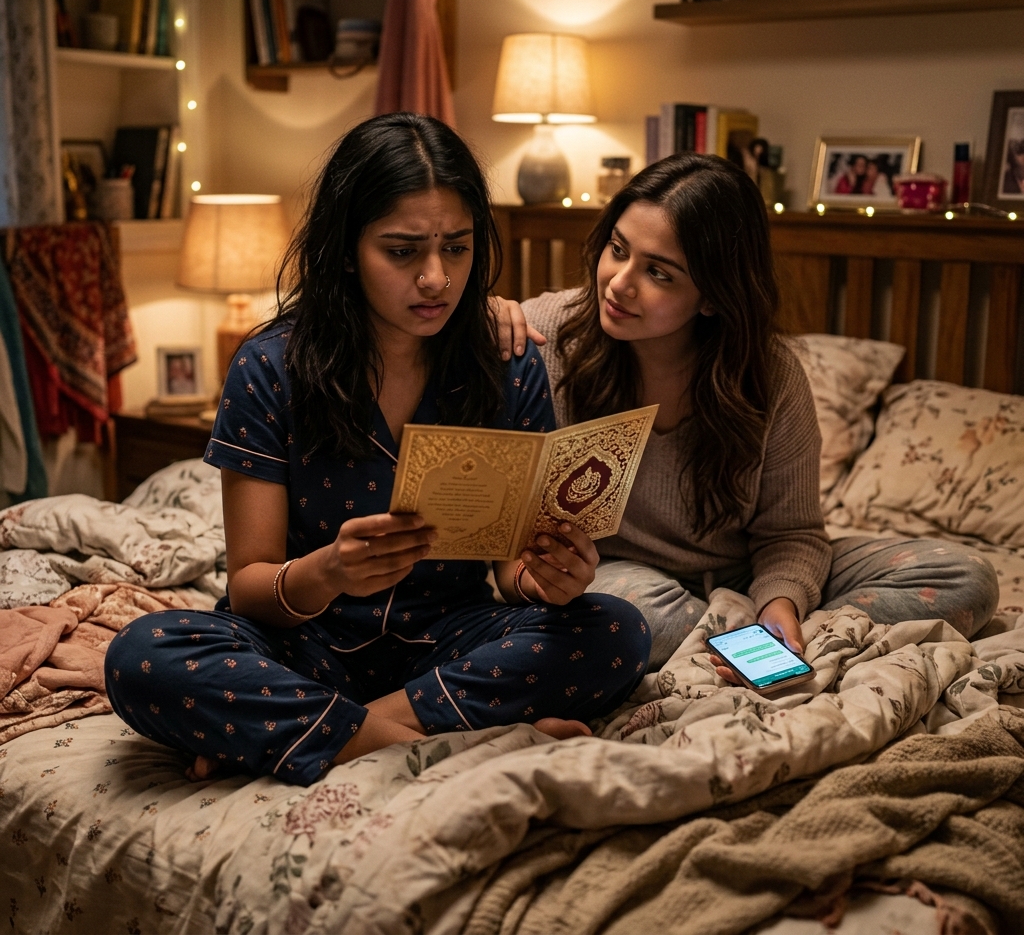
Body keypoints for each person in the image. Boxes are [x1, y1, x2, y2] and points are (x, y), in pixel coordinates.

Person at [104, 113, 650, 786]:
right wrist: (329, 571)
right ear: (345, 248)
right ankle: (460, 745)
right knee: (142, 655)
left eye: (457, 248)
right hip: (301, 644)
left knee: (618, 631)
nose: (435, 278)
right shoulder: (270, 367)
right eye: (401, 251)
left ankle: (322, 731)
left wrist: (540, 580)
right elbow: (249, 588)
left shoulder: (506, 363)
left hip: (446, 639)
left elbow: (511, 566)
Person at [513, 153, 998, 673]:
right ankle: (763, 650)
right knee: (636, 615)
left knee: (964, 575)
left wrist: (781, 604)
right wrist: (488, 314)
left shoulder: (769, 375)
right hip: (617, 578)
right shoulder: (547, 334)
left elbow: (791, 533)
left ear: (712, 297)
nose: (619, 283)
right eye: (617, 250)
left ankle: (767, 644)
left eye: (658, 272)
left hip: (744, 574)